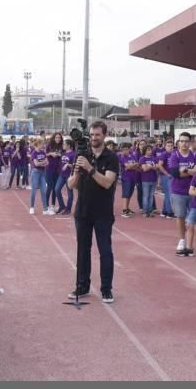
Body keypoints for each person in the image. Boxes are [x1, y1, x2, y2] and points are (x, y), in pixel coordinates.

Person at [67, 121, 120, 303]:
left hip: (103, 212)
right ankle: (82, 286)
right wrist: (77, 172)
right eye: (92, 135)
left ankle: (106, 289)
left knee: (105, 250)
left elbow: (107, 182)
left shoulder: (111, 157)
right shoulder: (82, 155)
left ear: (104, 135)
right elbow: (71, 184)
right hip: (82, 210)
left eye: (97, 135)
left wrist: (90, 169)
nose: (94, 138)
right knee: (83, 250)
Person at [169, 133, 196, 252]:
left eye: (186, 141)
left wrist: (185, 170)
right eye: (181, 141)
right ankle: (182, 240)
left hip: (193, 191)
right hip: (178, 191)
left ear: (190, 143)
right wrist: (190, 171)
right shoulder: (174, 156)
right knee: (180, 217)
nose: (184, 144)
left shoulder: (195, 156)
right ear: (178, 143)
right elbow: (175, 174)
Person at [29, 137, 50, 215]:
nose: (43, 145)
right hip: (35, 173)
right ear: (38, 144)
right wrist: (43, 162)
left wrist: (42, 162)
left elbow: (47, 163)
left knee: (44, 191)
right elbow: (36, 164)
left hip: (42, 173)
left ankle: (45, 209)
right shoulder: (34, 153)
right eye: (42, 144)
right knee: (33, 191)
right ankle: (31, 207)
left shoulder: (43, 152)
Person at [55, 139, 76, 215]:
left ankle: (68, 209)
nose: (63, 145)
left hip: (69, 175)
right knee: (57, 189)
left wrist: (67, 165)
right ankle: (62, 206)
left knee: (69, 193)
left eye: (64, 144)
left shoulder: (73, 154)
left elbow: (75, 165)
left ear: (69, 146)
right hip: (62, 175)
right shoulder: (63, 153)